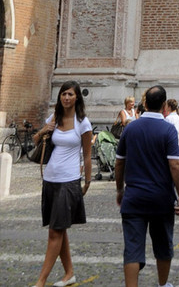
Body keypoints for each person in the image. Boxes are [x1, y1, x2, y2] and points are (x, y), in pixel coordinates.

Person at [116, 85, 179, 287]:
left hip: (134, 197)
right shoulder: (168, 129)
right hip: (161, 198)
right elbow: (175, 164)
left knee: (132, 249)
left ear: (144, 103)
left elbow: (119, 161)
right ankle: (163, 285)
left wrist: (120, 189)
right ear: (164, 105)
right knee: (163, 245)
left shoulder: (131, 128)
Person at [33, 81, 93, 287]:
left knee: (55, 232)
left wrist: (87, 181)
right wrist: (44, 130)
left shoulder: (83, 123)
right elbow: (34, 141)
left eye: (70, 94)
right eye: (63, 94)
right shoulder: (54, 118)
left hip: (69, 181)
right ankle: (69, 273)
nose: (66, 98)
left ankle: (41, 281)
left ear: (77, 97)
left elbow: (87, 155)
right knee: (59, 228)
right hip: (50, 179)